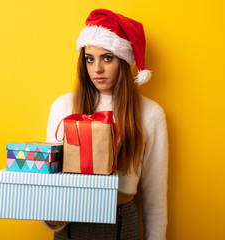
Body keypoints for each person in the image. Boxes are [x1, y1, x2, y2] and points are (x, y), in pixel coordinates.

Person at [43, 9, 168, 240]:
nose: (97, 69)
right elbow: (50, 180)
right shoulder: (62, 106)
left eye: (107, 58)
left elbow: (155, 197)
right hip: (70, 224)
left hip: (121, 224)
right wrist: (52, 218)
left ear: (123, 60)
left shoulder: (150, 113)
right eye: (90, 59)